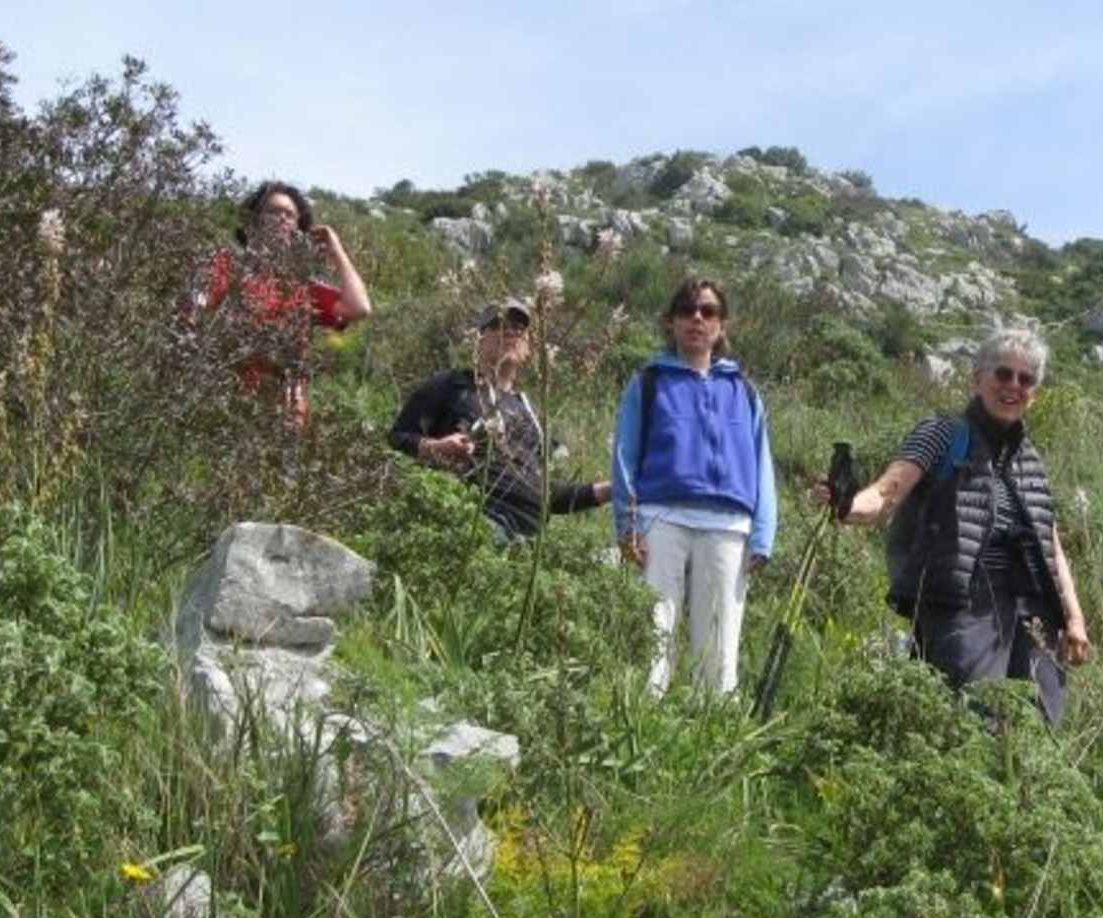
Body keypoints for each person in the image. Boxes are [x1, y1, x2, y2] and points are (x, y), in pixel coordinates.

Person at [839, 327, 1091, 725]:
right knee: (970, 724)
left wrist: (1073, 618)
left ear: (1034, 393)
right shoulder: (942, 434)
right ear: (978, 378)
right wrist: (846, 503)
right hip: (964, 604)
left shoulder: (1031, 461)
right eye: (1003, 374)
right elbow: (888, 490)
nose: (1013, 386)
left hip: (1035, 612)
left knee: (1038, 732)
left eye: (1025, 379)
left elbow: (1050, 544)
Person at [612, 278, 777, 697]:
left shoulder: (744, 390)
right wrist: (626, 524)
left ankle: (714, 733)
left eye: (708, 311)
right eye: (686, 310)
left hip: (729, 525)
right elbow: (625, 457)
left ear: (722, 325)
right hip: (660, 518)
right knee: (654, 630)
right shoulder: (647, 382)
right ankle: (644, 720)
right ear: (671, 322)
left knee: (720, 642)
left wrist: (763, 535)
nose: (697, 319)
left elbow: (762, 465)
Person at [390, 298, 610, 540]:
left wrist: (611, 490)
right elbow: (397, 438)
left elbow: (544, 493)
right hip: (478, 524)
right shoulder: (452, 385)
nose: (511, 333)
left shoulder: (531, 413)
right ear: (479, 339)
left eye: (519, 328)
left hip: (528, 541)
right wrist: (437, 448)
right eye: (500, 325)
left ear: (529, 348)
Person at [186, 181, 372, 423]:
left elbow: (359, 308)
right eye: (274, 211)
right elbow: (192, 319)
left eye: (290, 215)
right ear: (253, 220)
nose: (283, 219)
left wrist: (335, 249)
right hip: (224, 406)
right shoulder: (225, 265)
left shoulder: (303, 286)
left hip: (285, 418)